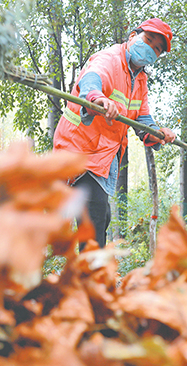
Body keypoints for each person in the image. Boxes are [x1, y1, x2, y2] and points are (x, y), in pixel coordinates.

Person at [53, 18, 177, 247]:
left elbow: (143, 120)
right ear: (132, 36)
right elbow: (92, 79)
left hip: (102, 156)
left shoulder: (140, 80)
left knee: (101, 215)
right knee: (95, 213)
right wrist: (97, 97)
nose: (150, 49)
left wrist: (158, 133)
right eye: (148, 41)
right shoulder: (109, 58)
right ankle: (92, 277)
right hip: (78, 150)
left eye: (157, 49)